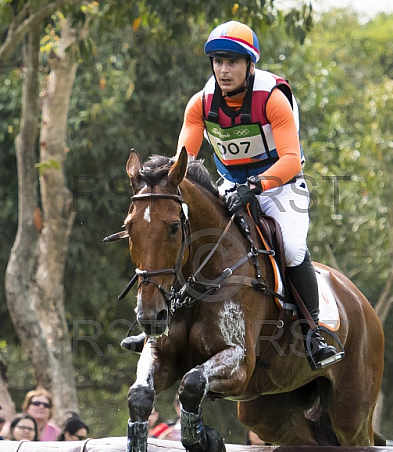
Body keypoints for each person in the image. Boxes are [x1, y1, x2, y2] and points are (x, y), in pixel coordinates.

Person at [120, 21, 339, 369]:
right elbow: (184, 162)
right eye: (219, 61)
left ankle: (314, 331)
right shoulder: (200, 104)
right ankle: (156, 328)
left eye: (233, 62)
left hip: (280, 187)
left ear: (250, 65)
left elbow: (291, 159)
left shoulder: (272, 98)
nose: (224, 69)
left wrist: (255, 186)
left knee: (294, 247)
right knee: (179, 235)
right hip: (228, 185)